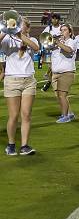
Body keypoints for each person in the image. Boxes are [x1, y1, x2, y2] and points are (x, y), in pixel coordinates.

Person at [2, 19, 40, 156]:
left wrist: (20, 35)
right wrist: (5, 30)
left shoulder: (32, 39)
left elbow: (36, 48)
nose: (18, 26)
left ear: (27, 28)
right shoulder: (7, 39)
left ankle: (24, 145)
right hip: (12, 80)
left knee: (26, 115)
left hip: (29, 80)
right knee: (13, 115)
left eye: (21, 24)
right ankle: (11, 144)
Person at [51, 24, 77, 123]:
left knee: (62, 95)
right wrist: (53, 43)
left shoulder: (72, 41)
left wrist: (57, 42)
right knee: (58, 95)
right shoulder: (58, 43)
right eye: (61, 30)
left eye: (65, 30)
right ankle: (68, 113)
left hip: (66, 72)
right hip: (55, 72)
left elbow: (69, 50)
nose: (62, 32)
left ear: (70, 32)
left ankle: (65, 116)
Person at [40, 14, 63, 90]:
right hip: (52, 51)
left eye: (56, 19)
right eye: (53, 18)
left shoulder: (62, 28)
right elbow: (43, 36)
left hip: (60, 51)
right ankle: (50, 83)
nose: (54, 20)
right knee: (53, 68)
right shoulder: (49, 28)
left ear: (59, 20)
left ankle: (49, 83)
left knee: (56, 69)